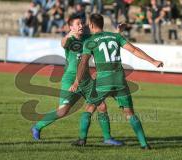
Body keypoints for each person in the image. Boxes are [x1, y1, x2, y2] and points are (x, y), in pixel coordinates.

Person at [69, 13, 164, 149]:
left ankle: (82, 139)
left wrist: (77, 82)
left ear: (91, 25)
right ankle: (144, 144)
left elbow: (83, 63)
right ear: (102, 24)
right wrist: (153, 61)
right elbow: (134, 50)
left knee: (90, 108)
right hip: (119, 79)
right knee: (129, 112)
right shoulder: (116, 36)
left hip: (103, 81)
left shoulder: (90, 41)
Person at [31, 14, 124, 146]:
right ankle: (37, 127)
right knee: (63, 111)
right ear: (71, 27)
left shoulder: (88, 38)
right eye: (78, 24)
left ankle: (107, 138)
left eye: (82, 23)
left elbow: (104, 38)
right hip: (70, 80)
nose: (81, 26)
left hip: (86, 81)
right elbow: (63, 43)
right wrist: (69, 34)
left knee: (102, 106)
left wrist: (117, 32)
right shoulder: (69, 41)